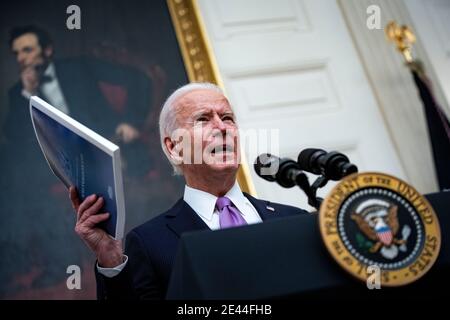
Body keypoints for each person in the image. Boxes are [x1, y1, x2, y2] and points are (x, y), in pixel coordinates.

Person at [69, 82, 309, 300]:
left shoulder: (294, 219)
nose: (221, 127)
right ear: (174, 148)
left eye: (227, 118)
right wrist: (111, 261)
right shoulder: (149, 243)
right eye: (203, 120)